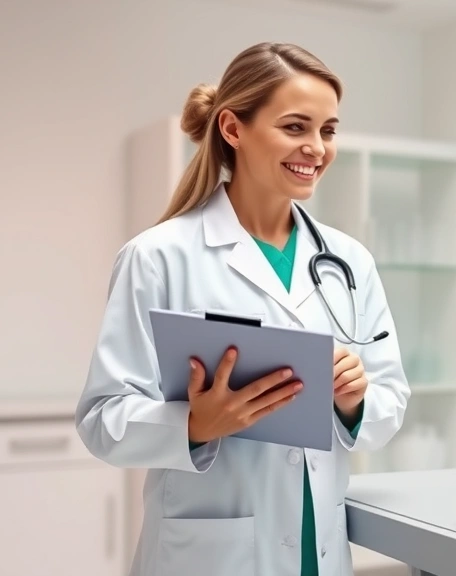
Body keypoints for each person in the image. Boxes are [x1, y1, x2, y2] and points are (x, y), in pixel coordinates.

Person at [74, 42, 410, 576]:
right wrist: (195, 423)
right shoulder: (158, 257)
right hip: (211, 555)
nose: (317, 148)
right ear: (233, 129)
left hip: (317, 550)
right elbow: (101, 419)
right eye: (296, 127)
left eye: (327, 130)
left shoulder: (349, 261)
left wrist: (354, 399)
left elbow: (391, 399)